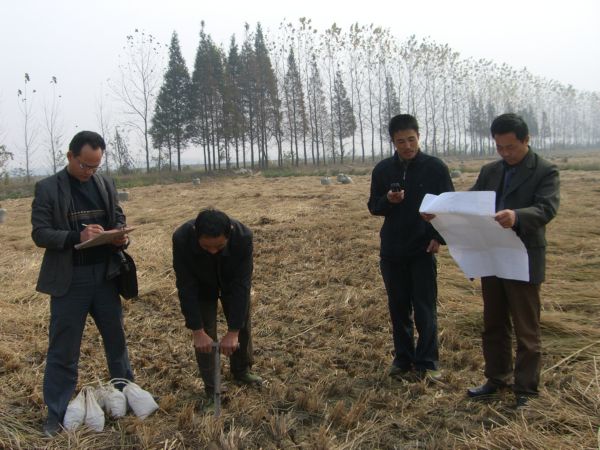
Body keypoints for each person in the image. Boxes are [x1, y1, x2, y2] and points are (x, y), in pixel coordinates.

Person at [31, 131, 134, 436]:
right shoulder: (48, 188)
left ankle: (124, 397)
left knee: (116, 341)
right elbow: (40, 233)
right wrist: (77, 236)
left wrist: (119, 236)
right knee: (63, 349)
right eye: (84, 165)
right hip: (70, 280)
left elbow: (118, 217)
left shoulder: (105, 183)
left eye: (95, 166)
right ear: (70, 156)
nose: (89, 171)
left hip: (105, 277)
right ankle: (57, 413)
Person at [466, 113, 559, 406]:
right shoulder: (490, 171)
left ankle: (526, 390)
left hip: (524, 257)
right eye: (499, 147)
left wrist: (517, 216)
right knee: (493, 323)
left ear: (526, 140)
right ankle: (497, 378)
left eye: (511, 147)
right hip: (493, 255)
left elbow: (546, 208)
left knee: (526, 329)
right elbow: (470, 202)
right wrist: (442, 211)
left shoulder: (545, 170)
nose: (505, 153)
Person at [368, 114, 454, 381]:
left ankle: (428, 362)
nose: (407, 146)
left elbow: (448, 207)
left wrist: (438, 237)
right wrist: (388, 200)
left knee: (425, 308)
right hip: (392, 250)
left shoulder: (435, 168)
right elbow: (373, 207)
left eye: (411, 140)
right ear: (393, 142)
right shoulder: (383, 170)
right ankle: (403, 359)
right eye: (401, 141)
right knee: (398, 308)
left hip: (422, 248)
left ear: (419, 137)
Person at [172, 208, 262, 409]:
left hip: (231, 283)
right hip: (201, 286)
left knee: (241, 325)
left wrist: (233, 332)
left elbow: (242, 286)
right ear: (196, 234)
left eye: (220, 246)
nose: (213, 251)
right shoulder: (182, 238)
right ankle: (212, 388)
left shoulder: (243, 237)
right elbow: (186, 286)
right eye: (206, 247)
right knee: (205, 336)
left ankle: (241, 370)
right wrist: (197, 331)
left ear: (229, 234)